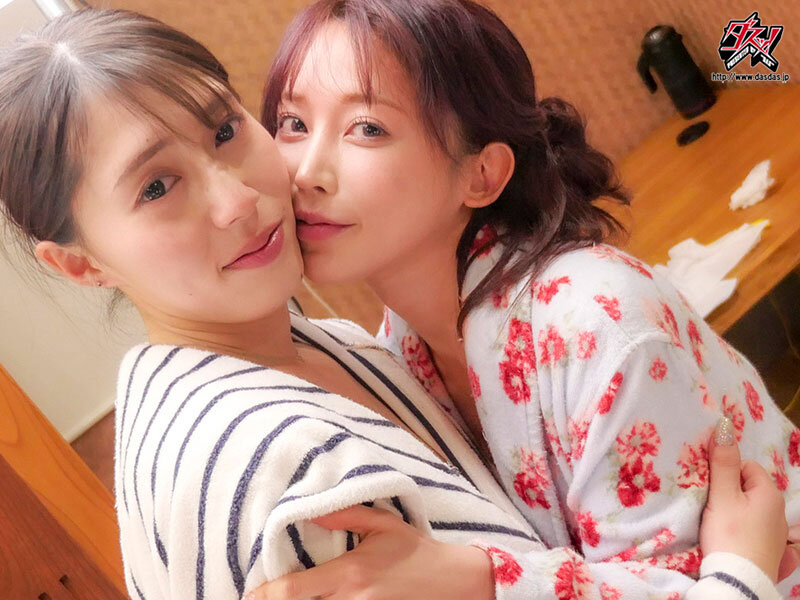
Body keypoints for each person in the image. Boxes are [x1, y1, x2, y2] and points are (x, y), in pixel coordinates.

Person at [0, 8, 789, 600]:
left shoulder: (374, 342)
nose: (259, 192)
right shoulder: (278, 468)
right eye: (156, 187)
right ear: (78, 264)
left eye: (224, 132)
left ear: (481, 173)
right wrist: (736, 580)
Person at [257, 0, 800, 596]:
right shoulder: (399, 346)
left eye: (368, 128)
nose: (306, 173)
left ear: (482, 174)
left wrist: (479, 580)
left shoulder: (596, 320)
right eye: (293, 123)